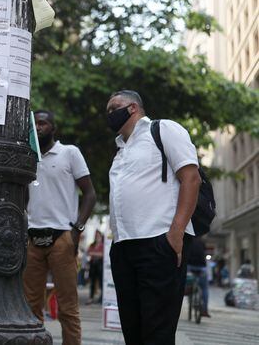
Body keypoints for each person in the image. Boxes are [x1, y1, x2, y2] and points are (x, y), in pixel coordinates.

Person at [106, 90, 200, 345]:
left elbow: (191, 178)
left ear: (134, 107)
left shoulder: (163, 130)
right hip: (124, 247)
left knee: (157, 331)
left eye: (114, 107)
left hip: (159, 243)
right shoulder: (120, 150)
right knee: (132, 330)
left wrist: (175, 233)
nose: (109, 114)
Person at [23, 110, 96, 345]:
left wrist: (77, 230)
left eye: (43, 123)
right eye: (35, 124)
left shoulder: (69, 153)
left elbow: (90, 194)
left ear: (54, 128)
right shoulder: (28, 157)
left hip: (62, 238)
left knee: (67, 306)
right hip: (32, 239)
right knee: (30, 306)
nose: (39, 127)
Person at [187, 235, 210, 317]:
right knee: (204, 288)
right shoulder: (202, 242)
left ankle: (189, 295)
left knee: (186, 284)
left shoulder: (188, 240)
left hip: (189, 267)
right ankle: (205, 310)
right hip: (201, 268)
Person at [86, 230, 104, 304]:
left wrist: (94, 254)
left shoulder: (103, 245)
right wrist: (97, 254)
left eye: (98, 236)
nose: (97, 237)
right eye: (96, 236)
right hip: (93, 264)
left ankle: (101, 298)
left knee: (101, 282)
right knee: (92, 282)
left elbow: (102, 254)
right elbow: (89, 252)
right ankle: (91, 297)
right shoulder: (92, 245)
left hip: (100, 265)